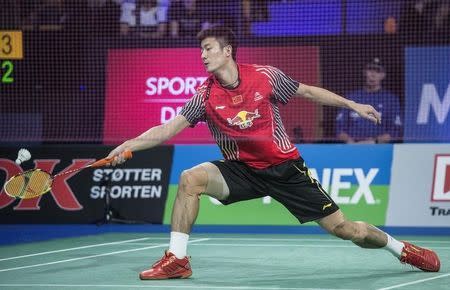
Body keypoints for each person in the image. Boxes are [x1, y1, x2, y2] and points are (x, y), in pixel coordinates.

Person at [107, 26, 441, 280]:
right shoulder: (204, 95)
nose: (203, 55)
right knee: (189, 179)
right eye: (201, 50)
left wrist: (352, 104)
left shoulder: (264, 77)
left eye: (208, 49)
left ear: (227, 51)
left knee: (347, 230)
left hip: (285, 169)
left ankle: (402, 250)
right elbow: (168, 129)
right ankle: (177, 260)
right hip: (241, 170)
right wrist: (129, 145)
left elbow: (308, 91)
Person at [335, 58, 403, 143]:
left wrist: (375, 141)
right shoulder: (351, 97)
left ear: (383, 75)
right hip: (352, 147)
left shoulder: (391, 99)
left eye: (378, 71)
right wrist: (350, 142)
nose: (373, 74)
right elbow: (339, 128)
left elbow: (396, 130)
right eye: (370, 70)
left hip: (379, 147)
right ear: (365, 72)